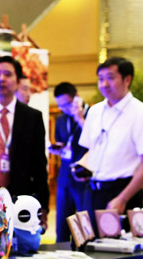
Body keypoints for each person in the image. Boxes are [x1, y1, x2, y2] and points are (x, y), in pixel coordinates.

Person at [76, 57, 143, 222]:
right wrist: (80, 168)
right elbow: (90, 149)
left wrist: (123, 198)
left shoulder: (141, 113)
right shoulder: (94, 111)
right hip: (92, 190)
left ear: (127, 79)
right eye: (101, 79)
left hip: (123, 192)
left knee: (116, 246)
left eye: (110, 78)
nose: (104, 84)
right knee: (88, 245)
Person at [0, 56, 49, 230]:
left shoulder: (32, 117)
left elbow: (39, 163)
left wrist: (43, 205)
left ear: (18, 81)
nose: (2, 79)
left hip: (22, 195)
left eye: (7, 74)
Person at [51, 82, 89, 242]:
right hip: (65, 176)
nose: (64, 109)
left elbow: (95, 141)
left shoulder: (91, 114)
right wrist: (58, 148)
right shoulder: (61, 120)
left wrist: (79, 118)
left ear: (76, 98)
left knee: (84, 225)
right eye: (60, 106)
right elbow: (63, 142)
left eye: (66, 104)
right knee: (62, 224)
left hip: (85, 176)